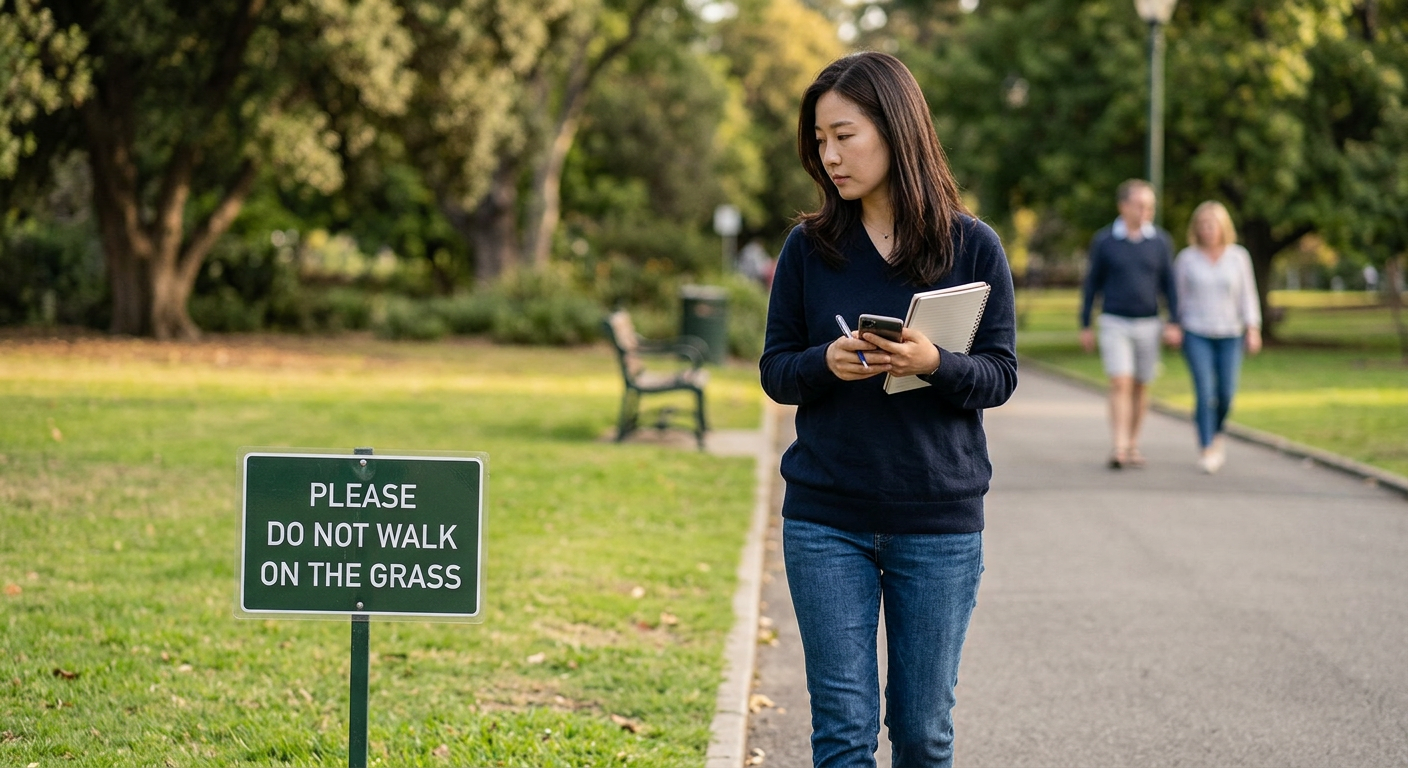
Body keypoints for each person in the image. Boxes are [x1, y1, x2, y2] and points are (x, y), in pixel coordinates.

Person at [759, 52, 1017, 768]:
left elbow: (1000, 375)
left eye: (845, 135)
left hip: (937, 520)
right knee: (842, 735)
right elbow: (776, 368)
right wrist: (825, 364)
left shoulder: (973, 247)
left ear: (896, 131)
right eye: (819, 141)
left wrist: (933, 364)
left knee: (924, 734)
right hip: (825, 519)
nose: (829, 155)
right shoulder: (809, 249)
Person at [1079, 179, 1181, 469]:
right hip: (1114, 321)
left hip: (1150, 322)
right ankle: (1119, 446)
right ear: (1123, 206)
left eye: (1150, 206)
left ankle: (1133, 444)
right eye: (1139, 205)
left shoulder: (1160, 242)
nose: (1145, 211)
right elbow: (1091, 285)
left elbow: (1169, 285)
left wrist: (1174, 321)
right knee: (1120, 381)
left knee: (1140, 385)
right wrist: (1085, 324)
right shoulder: (1105, 241)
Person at [1174, 201, 1262, 473]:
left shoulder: (1238, 257)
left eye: (1213, 225)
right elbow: (1178, 297)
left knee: (1226, 394)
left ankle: (1217, 431)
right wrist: (1174, 325)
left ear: (1224, 227)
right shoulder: (1186, 259)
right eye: (1203, 225)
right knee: (1204, 391)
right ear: (1196, 229)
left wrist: (1253, 327)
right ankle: (1207, 447)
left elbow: (1248, 294)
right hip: (1196, 332)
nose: (1208, 230)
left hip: (1230, 334)